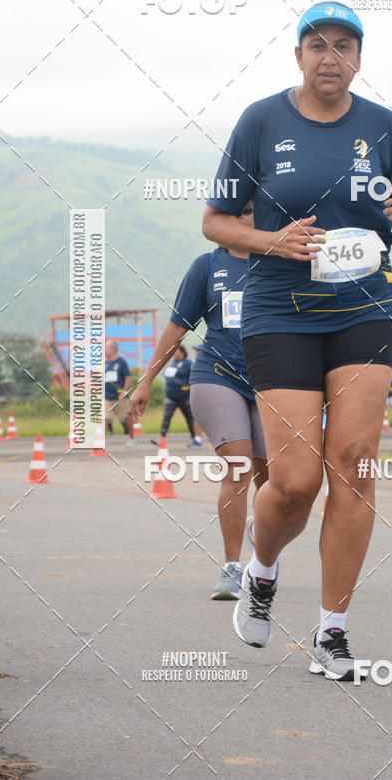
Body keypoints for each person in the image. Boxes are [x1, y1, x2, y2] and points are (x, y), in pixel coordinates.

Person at [202, 1, 392, 680]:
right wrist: (270, 239)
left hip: (366, 305)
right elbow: (215, 222)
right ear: (298, 55)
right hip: (279, 307)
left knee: (355, 464)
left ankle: (333, 632)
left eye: (343, 45)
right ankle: (262, 570)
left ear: (359, 57)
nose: (330, 56)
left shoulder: (384, 126)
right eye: (317, 44)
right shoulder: (260, 120)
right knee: (295, 481)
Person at [130, 203, 268, 601]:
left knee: (276, 482)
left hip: (271, 381)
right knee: (238, 467)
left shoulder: (278, 262)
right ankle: (231, 568)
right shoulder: (207, 266)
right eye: (247, 211)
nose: (255, 217)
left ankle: (263, 551)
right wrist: (146, 381)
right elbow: (176, 327)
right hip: (216, 376)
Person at [160, 344, 202, 447]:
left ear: (182, 353)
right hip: (171, 396)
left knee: (190, 418)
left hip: (185, 397)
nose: (174, 354)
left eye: (176, 352)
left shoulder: (188, 364)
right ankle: (162, 438)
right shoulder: (172, 363)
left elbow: (193, 378)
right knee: (167, 416)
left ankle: (195, 438)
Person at [104, 341, 134, 445]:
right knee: (105, 418)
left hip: (120, 397)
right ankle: (100, 442)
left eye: (106, 348)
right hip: (107, 397)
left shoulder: (121, 362)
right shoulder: (105, 363)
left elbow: (128, 377)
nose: (104, 350)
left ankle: (131, 439)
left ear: (113, 349)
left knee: (126, 418)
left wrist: (124, 391)